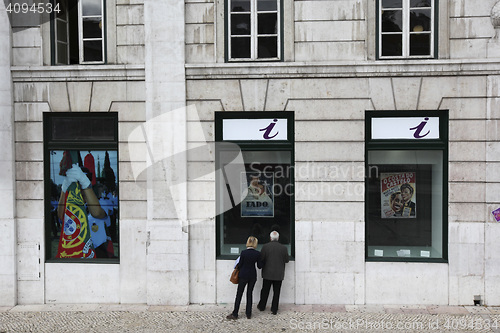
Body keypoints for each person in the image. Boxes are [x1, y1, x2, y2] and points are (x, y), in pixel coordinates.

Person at [227, 236, 263, 320]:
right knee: (249, 294)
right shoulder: (257, 253)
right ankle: (248, 313)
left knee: (239, 294)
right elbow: (259, 266)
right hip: (252, 276)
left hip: (243, 275)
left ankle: (235, 313)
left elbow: (240, 265)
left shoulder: (243, 253)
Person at [257, 231, 289, 315]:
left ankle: (262, 306)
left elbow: (262, 258)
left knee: (265, 291)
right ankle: (274, 309)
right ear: (278, 238)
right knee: (276, 292)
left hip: (267, 273)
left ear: (270, 238)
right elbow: (287, 260)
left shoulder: (265, 247)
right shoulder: (284, 248)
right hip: (279, 273)